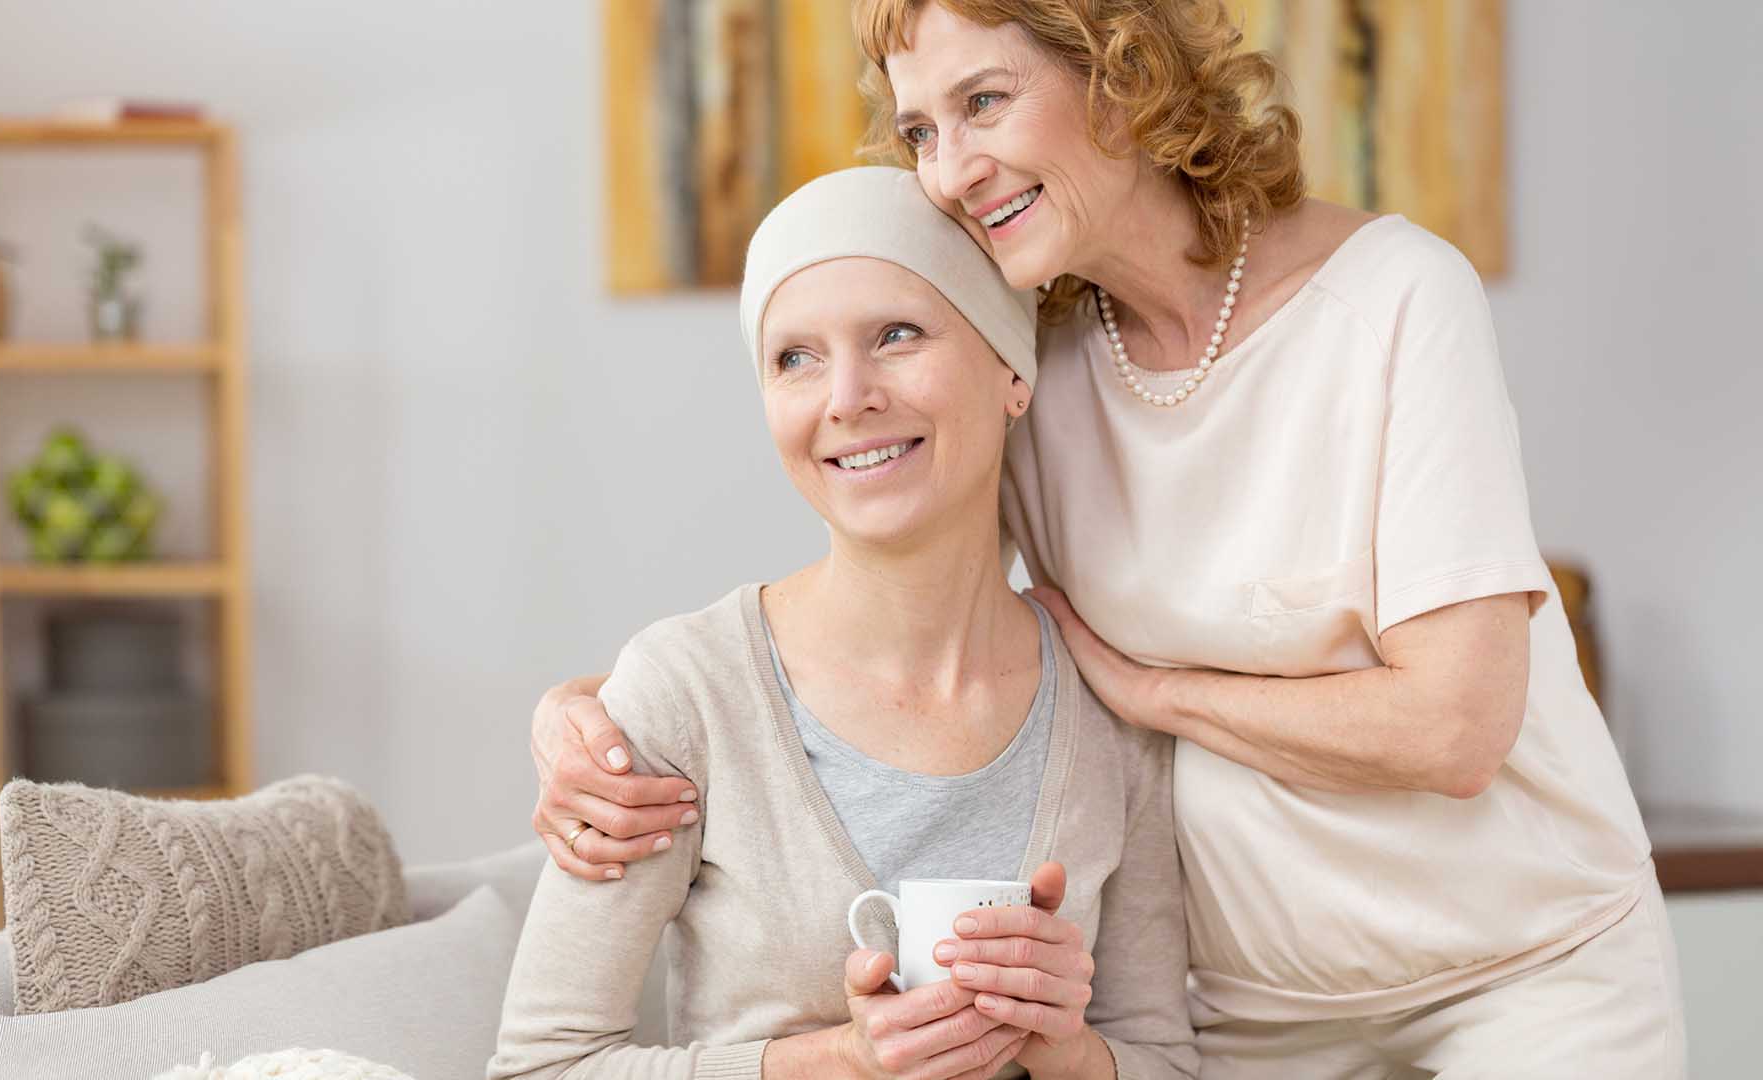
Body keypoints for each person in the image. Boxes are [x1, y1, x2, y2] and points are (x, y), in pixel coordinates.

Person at [527, 3, 1686, 1076]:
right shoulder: (1036, 361)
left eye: (985, 102)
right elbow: (869, 603)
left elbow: (1455, 725)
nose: (952, 169)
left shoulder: (1395, 301)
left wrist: (1154, 693)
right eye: (922, 128)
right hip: (1249, 1002)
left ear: (1122, 75)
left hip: (1531, 960)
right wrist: (597, 721)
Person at [490, 166, 1195, 1080]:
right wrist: (841, 1061)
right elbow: (539, 1065)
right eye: (795, 357)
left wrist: (1063, 1044)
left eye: (897, 335)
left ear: (1011, 370)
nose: (845, 396)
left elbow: (1165, 1065)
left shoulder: (1107, 706)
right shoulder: (685, 696)